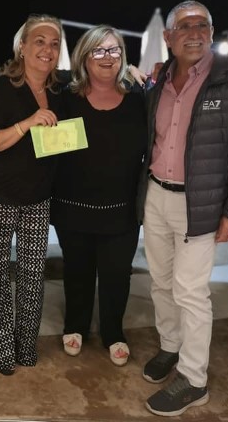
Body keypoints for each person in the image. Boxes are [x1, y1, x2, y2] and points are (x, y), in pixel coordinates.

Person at [136, 0, 228, 417]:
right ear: (168, 37)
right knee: (160, 282)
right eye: (185, 26)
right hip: (156, 196)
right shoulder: (159, 81)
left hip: (201, 204)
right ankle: (170, 346)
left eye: (202, 25)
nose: (194, 33)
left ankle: (194, 379)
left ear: (211, 32)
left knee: (190, 291)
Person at [50, 25, 147, 367]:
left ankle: (113, 331)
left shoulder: (138, 100)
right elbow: (51, 146)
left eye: (115, 50)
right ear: (84, 56)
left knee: (117, 273)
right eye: (99, 50)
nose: (108, 57)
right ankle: (75, 325)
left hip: (122, 208)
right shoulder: (66, 96)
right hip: (72, 205)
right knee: (77, 269)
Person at [0, 14, 64, 376]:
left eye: (54, 44)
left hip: (38, 197)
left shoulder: (59, 91)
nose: (47, 49)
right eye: (39, 41)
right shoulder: (3, 89)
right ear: (22, 47)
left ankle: (25, 348)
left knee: (32, 277)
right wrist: (27, 124)